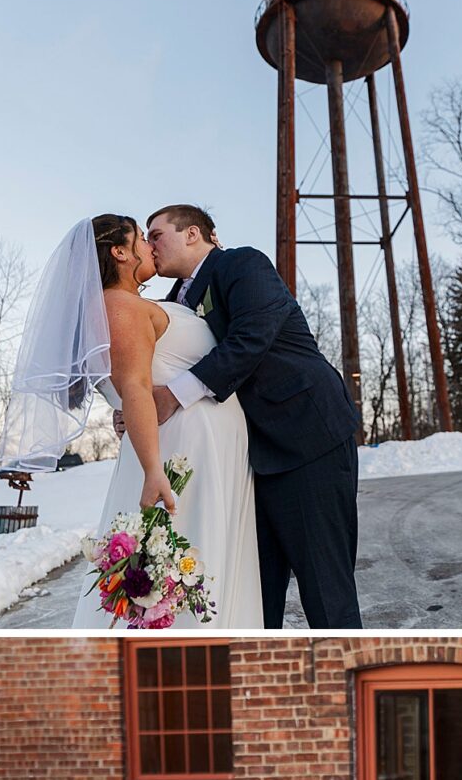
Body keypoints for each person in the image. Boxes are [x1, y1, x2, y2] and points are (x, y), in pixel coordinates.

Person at [0, 216, 263, 628]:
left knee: (206, 564)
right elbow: (136, 387)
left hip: (203, 445)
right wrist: (154, 470)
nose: (150, 245)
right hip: (180, 452)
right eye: (141, 237)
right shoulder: (118, 305)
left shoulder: (130, 304)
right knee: (188, 563)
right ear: (119, 252)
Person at [147, 203, 364, 631]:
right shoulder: (173, 302)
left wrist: (173, 395)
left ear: (192, 234)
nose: (149, 245)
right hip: (245, 462)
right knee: (252, 598)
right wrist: (134, 407)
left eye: (156, 234)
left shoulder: (242, 264)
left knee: (326, 590)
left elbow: (251, 337)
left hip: (306, 439)